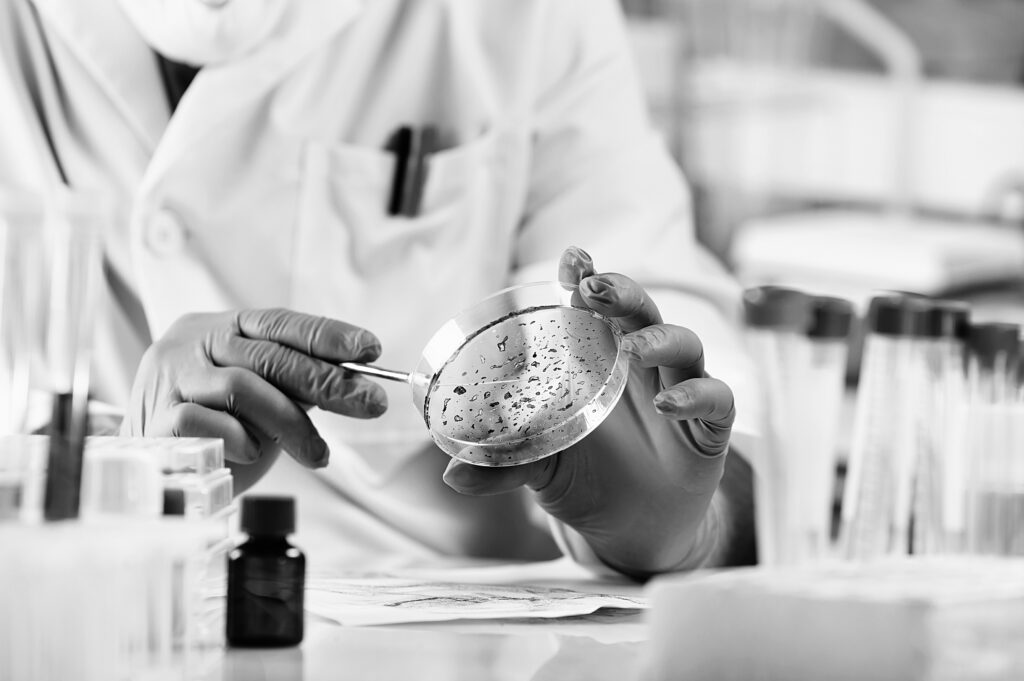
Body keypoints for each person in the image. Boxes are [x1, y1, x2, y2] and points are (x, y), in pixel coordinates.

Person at [0, 0, 759, 577]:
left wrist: (683, 526)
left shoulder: (531, 18)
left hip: (455, 631)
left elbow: (666, 325)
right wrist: (112, 476)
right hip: (96, 609)